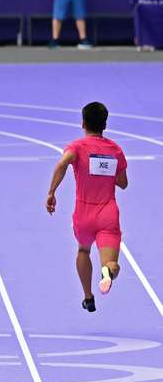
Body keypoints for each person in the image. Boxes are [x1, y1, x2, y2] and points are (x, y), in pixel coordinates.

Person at [46, 102, 127, 312]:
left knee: (83, 250)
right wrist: (105, 170)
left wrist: (51, 192)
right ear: (105, 125)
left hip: (83, 214)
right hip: (108, 214)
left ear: (83, 123)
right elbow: (123, 182)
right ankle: (107, 273)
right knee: (111, 263)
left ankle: (88, 297)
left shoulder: (77, 147)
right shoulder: (115, 150)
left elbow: (62, 164)